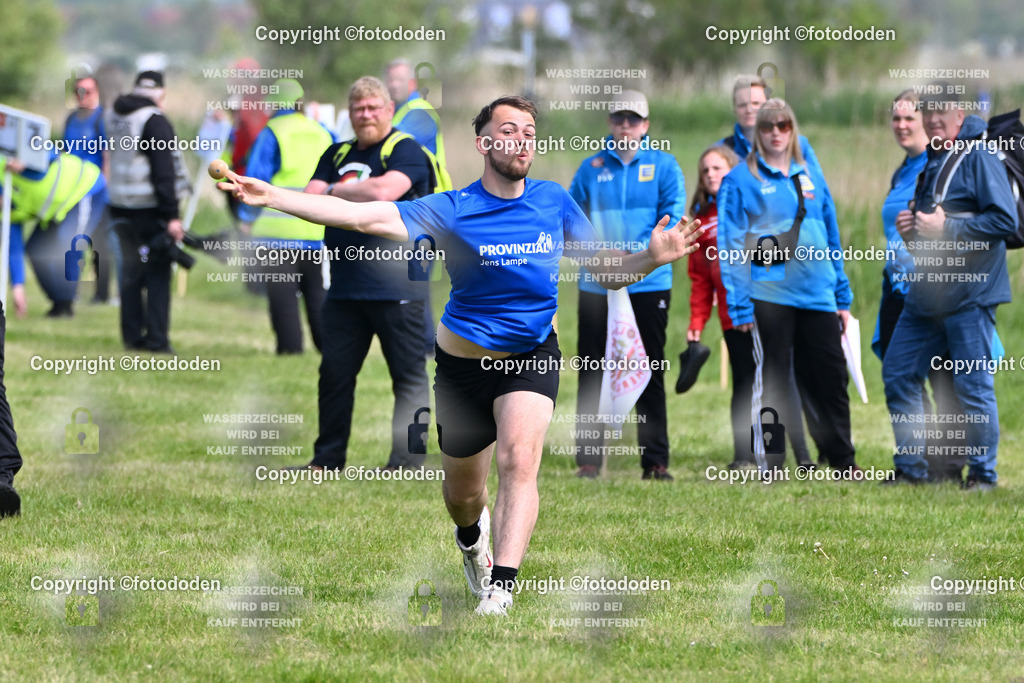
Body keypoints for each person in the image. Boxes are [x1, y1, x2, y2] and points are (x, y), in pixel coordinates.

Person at [219, 95, 703, 616]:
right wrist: (271, 195)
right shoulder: (452, 209)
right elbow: (361, 217)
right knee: (464, 497)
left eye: (530, 132)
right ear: (484, 143)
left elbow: (606, 272)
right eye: (509, 130)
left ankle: (502, 587)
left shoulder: (553, 200)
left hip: (532, 354)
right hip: (462, 369)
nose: (522, 140)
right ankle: (473, 541)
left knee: (520, 461)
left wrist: (649, 257)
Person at [292, 76, 433, 472]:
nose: (366, 115)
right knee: (334, 375)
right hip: (344, 288)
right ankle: (327, 459)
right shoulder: (336, 152)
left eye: (373, 107)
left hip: (398, 286)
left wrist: (335, 192)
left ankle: (408, 461)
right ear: (350, 114)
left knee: (408, 378)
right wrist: (348, 188)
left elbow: (385, 192)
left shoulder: (406, 150)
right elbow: (308, 195)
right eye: (358, 109)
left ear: (389, 110)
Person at [884, 84, 1017, 489]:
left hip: (970, 296)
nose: (933, 120)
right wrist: (913, 230)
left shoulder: (979, 156)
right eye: (928, 113)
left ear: (960, 116)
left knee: (972, 385)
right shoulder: (935, 158)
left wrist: (949, 227)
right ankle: (911, 469)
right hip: (927, 295)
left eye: (942, 113)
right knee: (898, 372)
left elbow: (1004, 222)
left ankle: (982, 475)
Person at [717, 99, 857, 473]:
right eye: (767, 126)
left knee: (831, 379)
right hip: (770, 294)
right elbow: (729, 246)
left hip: (819, 291)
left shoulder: (808, 172)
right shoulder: (739, 180)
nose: (775, 132)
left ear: (792, 129)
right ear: (757, 133)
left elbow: (830, 229)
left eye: (783, 125)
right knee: (774, 379)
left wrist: (841, 293)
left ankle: (843, 460)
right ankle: (772, 462)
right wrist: (740, 306)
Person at [568, 90, 686, 480]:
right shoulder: (590, 168)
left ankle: (654, 461)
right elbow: (571, 221)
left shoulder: (665, 166)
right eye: (619, 118)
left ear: (646, 126)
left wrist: (634, 255)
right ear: (610, 123)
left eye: (633, 119)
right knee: (592, 368)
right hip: (596, 283)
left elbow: (671, 223)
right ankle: (588, 460)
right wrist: (603, 255)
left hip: (649, 282)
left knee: (648, 368)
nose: (625, 126)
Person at [873, 90, 967, 483]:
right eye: (896, 118)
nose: (902, 125)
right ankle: (916, 464)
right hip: (898, 287)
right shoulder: (904, 169)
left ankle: (946, 468)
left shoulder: (943, 166)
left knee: (943, 378)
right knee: (901, 375)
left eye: (910, 118)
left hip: (934, 288)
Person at [236, 79, 335, 355]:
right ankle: (329, 347)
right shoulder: (323, 131)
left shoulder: (272, 132)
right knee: (316, 293)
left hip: (275, 233)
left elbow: (257, 178)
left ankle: (290, 350)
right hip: (314, 229)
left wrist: (246, 216)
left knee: (283, 297)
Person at [106, 70, 190, 353]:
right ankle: (157, 339)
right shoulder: (154, 120)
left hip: (119, 205)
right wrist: (172, 216)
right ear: (161, 94)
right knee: (157, 274)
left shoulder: (115, 114)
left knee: (129, 271)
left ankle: (132, 336)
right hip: (149, 208)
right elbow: (163, 174)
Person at [385, 58, 449, 357]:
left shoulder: (418, 112)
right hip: (413, 207)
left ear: (411, 82)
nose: (391, 84)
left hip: (428, 209)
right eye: (388, 79)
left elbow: (392, 141)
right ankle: (418, 341)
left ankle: (426, 345)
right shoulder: (401, 111)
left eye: (397, 79)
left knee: (417, 279)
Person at [3, 153, 105, 318]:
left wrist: (26, 162)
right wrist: (18, 287)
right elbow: (14, 248)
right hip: (58, 207)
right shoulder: (5, 213)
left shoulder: (5, 166)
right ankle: (59, 302)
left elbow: (50, 151)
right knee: (35, 249)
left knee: (68, 243)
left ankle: (66, 305)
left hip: (85, 187)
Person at [62, 68, 117, 304]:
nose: (82, 95)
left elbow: (109, 156)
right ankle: (71, 291)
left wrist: (108, 187)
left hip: (96, 191)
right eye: (78, 90)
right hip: (72, 190)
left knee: (99, 242)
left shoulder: (102, 119)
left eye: (87, 90)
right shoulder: (71, 119)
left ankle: (101, 294)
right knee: (76, 239)